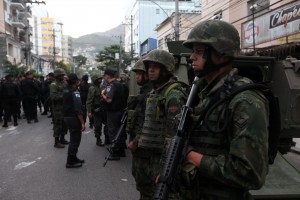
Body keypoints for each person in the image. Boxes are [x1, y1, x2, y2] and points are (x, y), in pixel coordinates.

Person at [176, 19, 269, 200]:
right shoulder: (205, 94)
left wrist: (193, 157)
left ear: (222, 55)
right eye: (192, 51)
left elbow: (250, 173)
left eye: (199, 51)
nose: (191, 57)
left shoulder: (245, 100)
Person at [128, 49, 188, 199]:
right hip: (147, 158)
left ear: (166, 69)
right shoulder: (155, 93)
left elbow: (173, 137)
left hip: (160, 160)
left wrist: (165, 170)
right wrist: (136, 142)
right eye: (149, 66)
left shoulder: (173, 94)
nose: (151, 70)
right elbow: (147, 122)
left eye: (156, 66)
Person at [126, 59, 153, 199]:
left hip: (143, 144)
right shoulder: (144, 91)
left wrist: (135, 141)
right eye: (135, 74)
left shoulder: (150, 93)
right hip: (140, 141)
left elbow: (147, 122)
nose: (136, 77)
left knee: (145, 181)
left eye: (139, 74)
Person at [102, 69, 128, 160]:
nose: (104, 78)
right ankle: (121, 150)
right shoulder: (121, 84)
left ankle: (115, 153)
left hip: (113, 112)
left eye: (104, 76)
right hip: (121, 111)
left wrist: (103, 95)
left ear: (107, 76)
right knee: (119, 131)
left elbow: (109, 100)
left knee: (112, 131)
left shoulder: (111, 85)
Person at [63, 73, 85, 168]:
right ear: (76, 81)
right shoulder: (75, 92)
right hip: (73, 118)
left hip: (67, 117)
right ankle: (70, 161)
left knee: (74, 138)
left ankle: (74, 157)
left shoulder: (66, 90)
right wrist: (83, 122)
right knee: (75, 140)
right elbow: (78, 109)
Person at [86, 74, 107, 146]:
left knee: (107, 124)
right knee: (98, 125)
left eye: (101, 79)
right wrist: (89, 112)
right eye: (99, 79)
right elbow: (89, 101)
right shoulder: (92, 88)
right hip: (96, 109)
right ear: (95, 80)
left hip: (103, 108)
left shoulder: (101, 87)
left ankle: (107, 139)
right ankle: (98, 139)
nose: (101, 80)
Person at [50, 68, 69, 148]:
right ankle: (56, 142)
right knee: (58, 124)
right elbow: (53, 97)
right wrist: (64, 95)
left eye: (63, 75)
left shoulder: (64, 83)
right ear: (57, 76)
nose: (63, 76)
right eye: (61, 75)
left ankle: (62, 139)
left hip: (65, 106)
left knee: (65, 124)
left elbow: (68, 91)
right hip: (58, 108)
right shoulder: (53, 85)